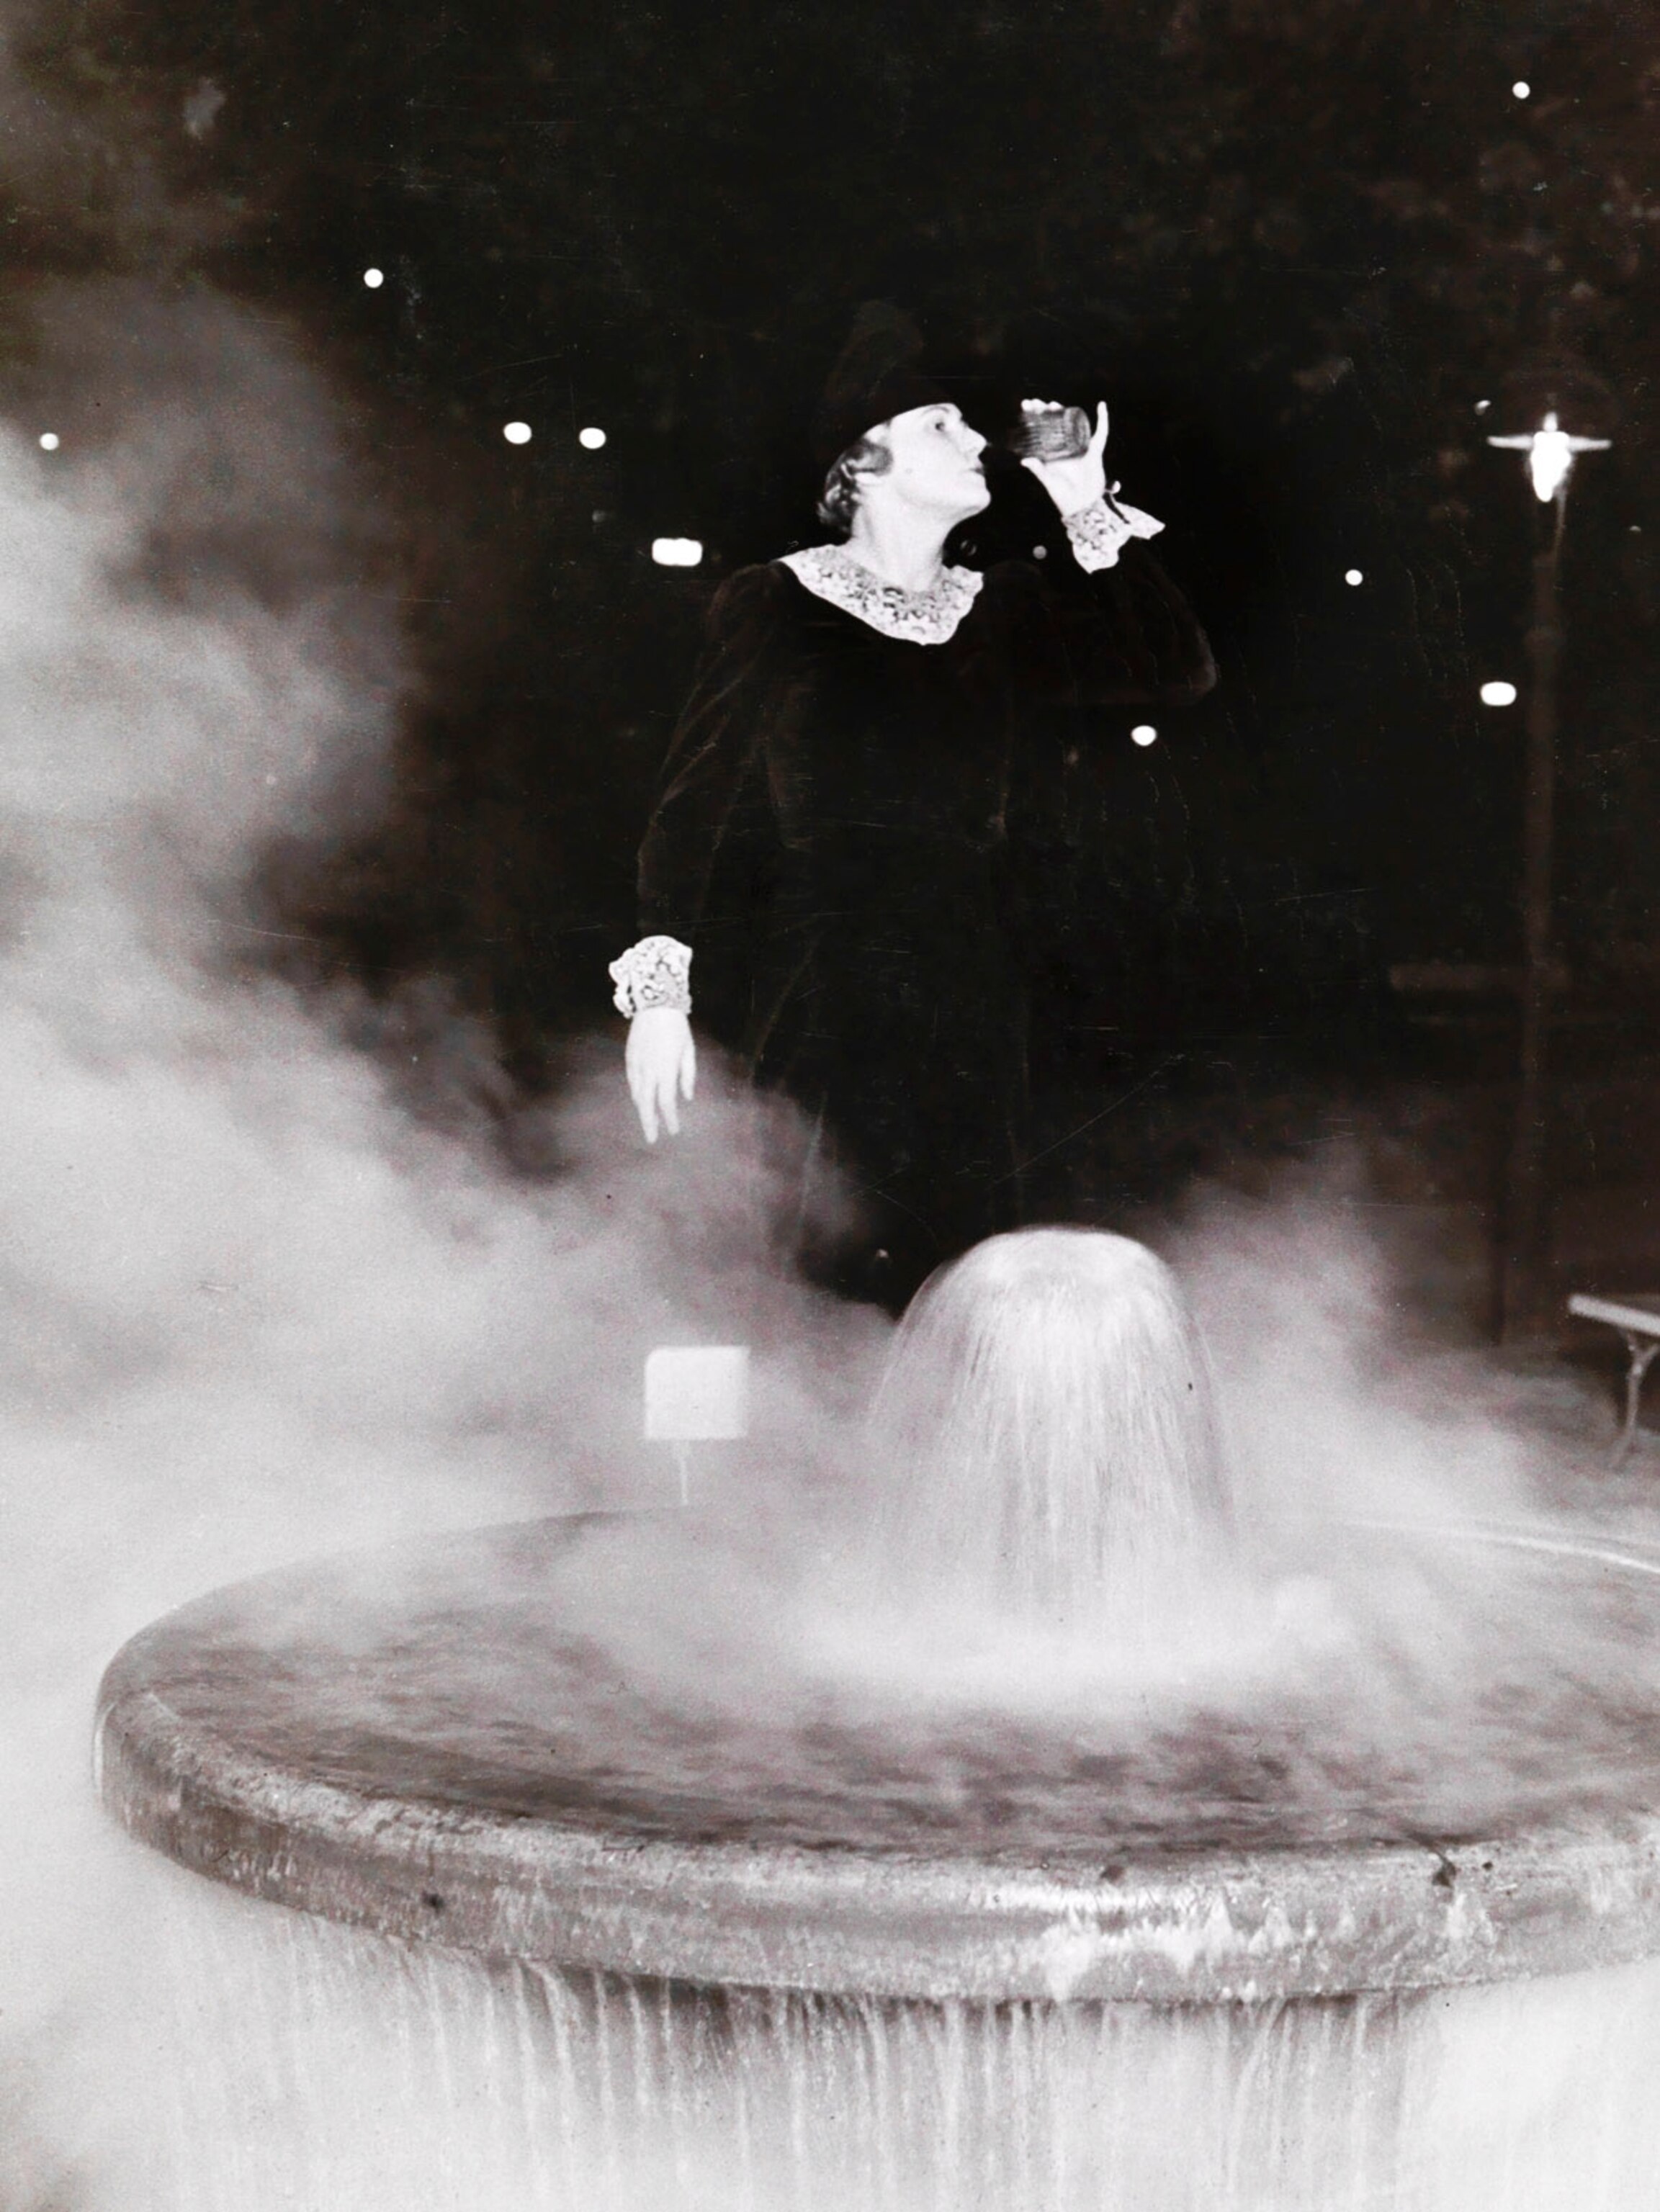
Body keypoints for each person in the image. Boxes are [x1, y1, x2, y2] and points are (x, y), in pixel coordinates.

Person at [611, 305, 1216, 1308]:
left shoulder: (1004, 609)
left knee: (969, 1281)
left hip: (978, 986)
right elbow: (692, 802)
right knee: (825, 1264)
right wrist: (661, 1000)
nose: (979, 439)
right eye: (943, 426)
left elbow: (1177, 667)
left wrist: (1079, 497)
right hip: (826, 992)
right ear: (864, 461)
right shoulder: (776, 604)